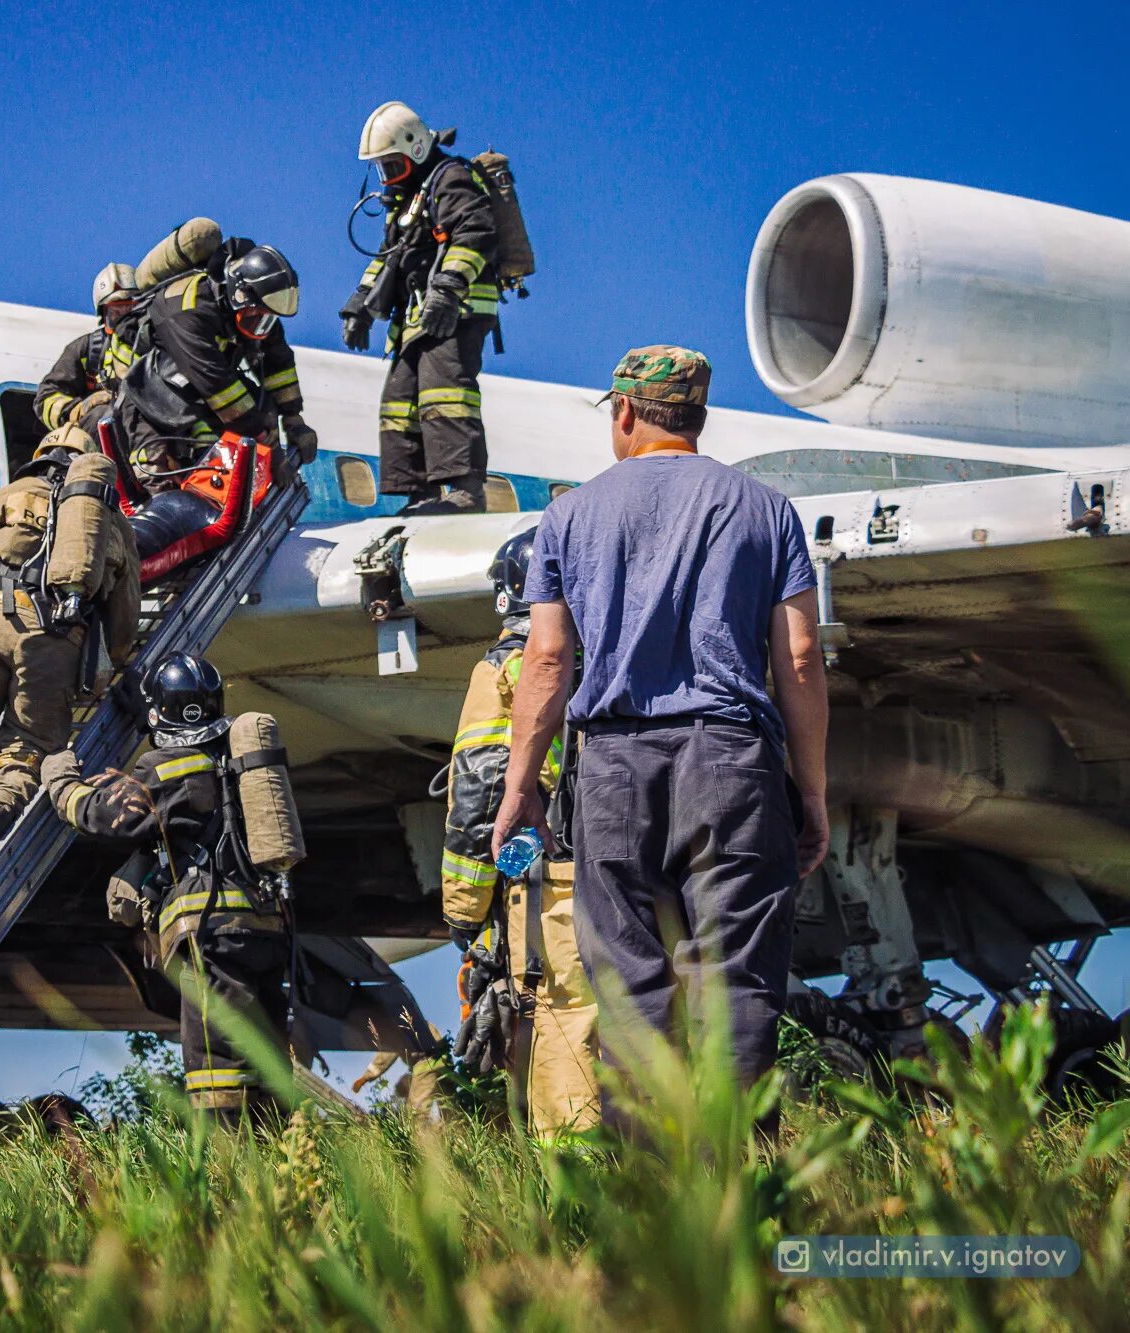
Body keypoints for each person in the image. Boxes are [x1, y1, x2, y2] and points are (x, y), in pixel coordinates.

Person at [491, 348, 830, 1125]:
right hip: (733, 762)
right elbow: (802, 658)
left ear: (625, 413)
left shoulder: (568, 517)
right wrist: (809, 789)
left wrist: (520, 787)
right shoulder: (766, 510)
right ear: (698, 418)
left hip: (612, 771)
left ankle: (653, 1205)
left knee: (631, 991)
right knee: (735, 985)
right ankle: (738, 1189)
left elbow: (546, 659)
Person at [41, 653, 291, 1121]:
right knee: (265, 1051)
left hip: (210, 933)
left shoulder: (168, 766)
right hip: (264, 927)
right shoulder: (238, 761)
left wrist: (60, 782)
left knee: (214, 1063)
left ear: (158, 715)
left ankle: (228, 1163)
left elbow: (107, 816)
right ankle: (284, 1158)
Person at [441, 527, 599, 1135]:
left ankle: (575, 1188)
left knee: (561, 1021)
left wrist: (465, 912)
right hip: (626, 870)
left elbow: (483, 794)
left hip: (549, 887)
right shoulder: (615, 660)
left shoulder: (506, 671)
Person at [0, 430, 140, 846]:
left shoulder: (11, 494)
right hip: (53, 636)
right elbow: (124, 609)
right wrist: (118, 658)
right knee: (29, 741)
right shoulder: (112, 523)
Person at [338, 101, 501, 515]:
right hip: (416, 316)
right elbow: (389, 256)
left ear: (415, 149)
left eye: (392, 166)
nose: (388, 178)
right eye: (382, 170)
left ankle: (464, 490)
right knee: (400, 403)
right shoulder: (409, 200)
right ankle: (420, 493)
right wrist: (360, 303)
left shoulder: (451, 177)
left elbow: (476, 230)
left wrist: (448, 288)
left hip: (456, 309)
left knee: (446, 394)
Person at [114, 242, 318, 496]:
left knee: (252, 416)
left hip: (196, 402)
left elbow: (278, 362)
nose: (261, 324)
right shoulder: (186, 308)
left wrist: (293, 419)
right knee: (155, 481)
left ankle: (233, 496)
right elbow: (218, 386)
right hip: (149, 399)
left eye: (268, 318)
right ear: (240, 294)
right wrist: (269, 446)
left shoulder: (254, 306)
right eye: (258, 316)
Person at [35, 263, 140, 434]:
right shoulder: (87, 351)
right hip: (102, 440)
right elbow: (46, 398)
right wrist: (79, 409)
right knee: (102, 415)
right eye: (115, 314)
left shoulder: (157, 345)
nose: (125, 322)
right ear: (104, 316)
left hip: (150, 432)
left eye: (131, 311)